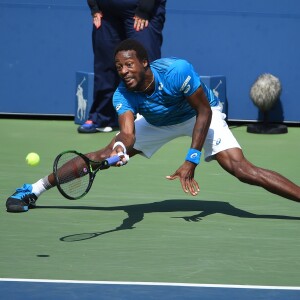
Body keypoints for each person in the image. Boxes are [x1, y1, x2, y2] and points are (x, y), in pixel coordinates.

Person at [6, 39, 300, 212]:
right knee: (98, 156)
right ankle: (33, 189)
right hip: (159, 122)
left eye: (129, 64)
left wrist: (191, 158)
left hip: (198, 115)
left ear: (145, 63)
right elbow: (127, 131)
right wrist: (120, 148)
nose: (124, 71)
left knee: (240, 169)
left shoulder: (176, 71)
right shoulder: (122, 93)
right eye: (119, 67)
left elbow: (203, 112)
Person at [78, 0, 166, 133]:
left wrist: (144, 9)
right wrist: (94, 7)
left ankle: (151, 119)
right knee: (105, 66)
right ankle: (103, 118)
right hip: (105, 13)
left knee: (144, 64)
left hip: (140, 10)